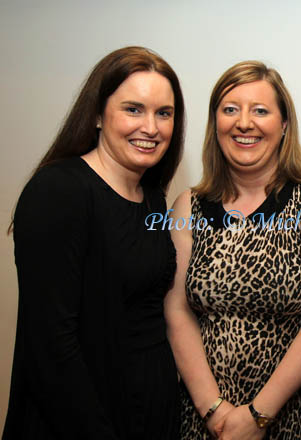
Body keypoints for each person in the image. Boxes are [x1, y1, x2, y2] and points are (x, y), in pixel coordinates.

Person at [3, 46, 185, 439]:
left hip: (148, 413)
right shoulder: (59, 191)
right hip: (79, 421)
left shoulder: (152, 197)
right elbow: (51, 346)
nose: (151, 128)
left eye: (164, 113)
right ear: (99, 114)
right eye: (133, 109)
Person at [166, 60, 301, 440]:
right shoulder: (189, 206)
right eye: (230, 109)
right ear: (214, 122)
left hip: (293, 417)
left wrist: (256, 417)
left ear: (284, 125)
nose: (244, 123)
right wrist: (215, 411)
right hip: (203, 418)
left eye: (261, 111)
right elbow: (177, 312)